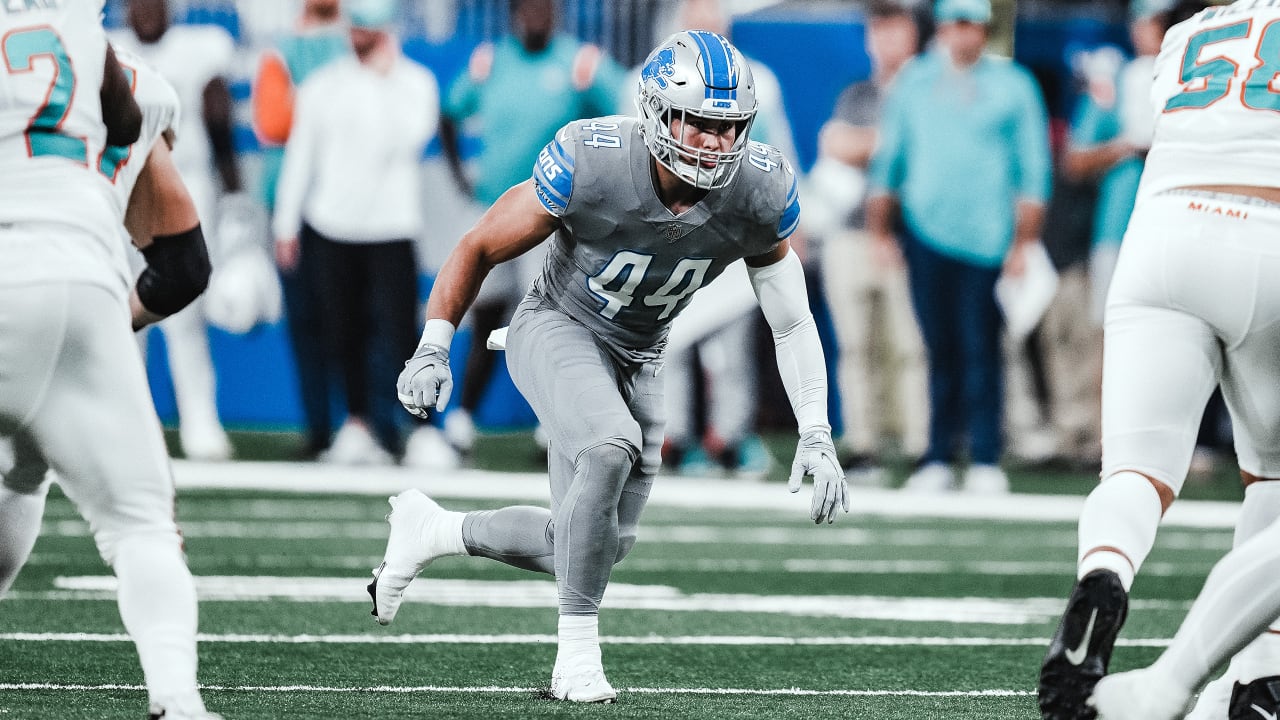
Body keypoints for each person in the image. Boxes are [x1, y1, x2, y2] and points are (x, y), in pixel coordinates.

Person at [373, 30, 848, 702]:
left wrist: (816, 433)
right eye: (700, 124)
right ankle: (575, 659)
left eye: (729, 127)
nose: (715, 144)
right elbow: (480, 243)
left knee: (592, 544)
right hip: (558, 325)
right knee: (608, 444)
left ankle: (434, 530)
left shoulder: (758, 189)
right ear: (657, 112)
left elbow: (793, 318)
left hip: (643, 352)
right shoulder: (592, 161)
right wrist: (433, 346)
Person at [1034, 1, 1280, 719]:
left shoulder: (1186, 33)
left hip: (1163, 235)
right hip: (1270, 227)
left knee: (1136, 472)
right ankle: (1238, 673)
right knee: (1274, 475)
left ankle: (1103, 572)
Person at [0, 5, 218, 716]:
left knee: (18, 471)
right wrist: (91, 332)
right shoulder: (131, 77)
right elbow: (182, 265)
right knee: (139, 525)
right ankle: (177, 700)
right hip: (79, 278)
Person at [865, 0, 1052, 494]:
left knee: (981, 350)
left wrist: (1024, 243)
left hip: (989, 239)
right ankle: (939, 455)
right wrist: (880, 229)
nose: (963, 34)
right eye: (955, 23)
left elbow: (1033, 170)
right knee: (937, 349)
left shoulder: (1014, 85)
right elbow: (891, 159)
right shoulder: (915, 81)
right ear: (943, 27)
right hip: (926, 232)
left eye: (972, 24)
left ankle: (986, 455)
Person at [437, 0, 623, 458]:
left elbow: (627, 116)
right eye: (528, 7)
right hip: (495, 210)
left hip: (553, 218)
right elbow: (449, 111)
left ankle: (555, 429)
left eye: (544, 7)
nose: (535, 16)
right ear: (516, 13)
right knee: (485, 314)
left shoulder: (580, 63)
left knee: (553, 323)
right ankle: (461, 420)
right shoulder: (492, 60)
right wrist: (461, 175)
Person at [273, 0, 444, 467]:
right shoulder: (322, 86)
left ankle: (422, 430)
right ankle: (357, 424)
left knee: (400, 333)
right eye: (356, 28)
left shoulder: (415, 84)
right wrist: (286, 223)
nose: (359, 37)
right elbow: (301, 155)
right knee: (341, 331)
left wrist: (382, 81)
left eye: (369, 29)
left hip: (392, 228)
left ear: (386, 31)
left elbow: (406, 138)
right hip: (332, 227)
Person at [654, 0, 797, 479]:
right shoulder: (653, 77)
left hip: (729, 228)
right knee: (663, 339)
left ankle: (729, 438)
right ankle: (667, 437)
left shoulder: (758, 82)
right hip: (669, 227)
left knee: (731, 345)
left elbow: (774, 159)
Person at [113, 0, 243, 462]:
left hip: (187, 190)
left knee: (186, 317)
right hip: (121, 197)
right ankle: (124, 428)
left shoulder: (201, 49)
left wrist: (236, 201)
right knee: (121, 316)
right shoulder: (106, 49)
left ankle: (199, 420)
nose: (146, 11)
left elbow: (220, 123)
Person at [810, 0, 927, 481]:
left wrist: (872, 146)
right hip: (850, 235)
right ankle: (864, 445)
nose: (886, 39)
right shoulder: (857, 93)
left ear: (913, 36)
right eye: (879, 30)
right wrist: (889, 144)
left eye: (895, 29)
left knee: (909, 347)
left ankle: (922, 445)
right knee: (855, 346)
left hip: (907, 236)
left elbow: (925, 157)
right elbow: (834, 144)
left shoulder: (926, 91)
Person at [250, 0, 349, 460]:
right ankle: (320, 428)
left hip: (348, 206)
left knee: (353, 321)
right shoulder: (282, 51)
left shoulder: (360, 41)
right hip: (292, 207)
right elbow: (272, 123)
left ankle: (364, 425)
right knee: (306, 320)